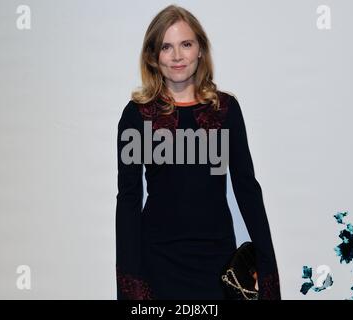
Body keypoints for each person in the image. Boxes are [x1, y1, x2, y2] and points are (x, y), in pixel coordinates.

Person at [115, 4, 280, 300]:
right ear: (153, 57)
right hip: (157, 262)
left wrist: (267, 266)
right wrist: (130, 278)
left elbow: (246, 187)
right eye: (166, 47)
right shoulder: (137, 115)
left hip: (217, 262)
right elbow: (128, 198)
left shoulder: (226, 109)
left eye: (186, 44)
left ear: (200, 50)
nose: (177, 56)